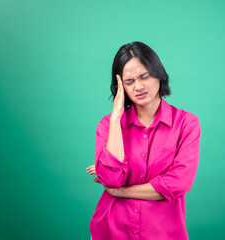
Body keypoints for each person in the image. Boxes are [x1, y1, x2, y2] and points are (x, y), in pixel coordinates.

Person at [86, 41, 201, 240]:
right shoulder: (108, 125)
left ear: (158, 74)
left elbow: (178, 183)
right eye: (129, 82)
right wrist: (115, 118)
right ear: (120, 87)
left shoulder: (186, 124)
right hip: (111, 230)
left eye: (144, 77)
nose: (138, 86)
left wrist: (119, 192)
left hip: (163, 233)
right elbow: (111, 179)